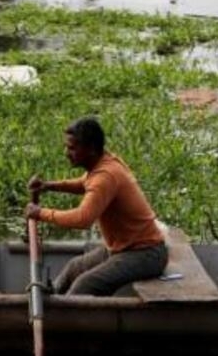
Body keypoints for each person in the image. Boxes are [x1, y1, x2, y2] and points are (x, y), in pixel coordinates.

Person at [25, 116, 168, 296]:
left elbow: (82, 219)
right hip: (124, 248)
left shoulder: (106, 176)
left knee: (85, 284)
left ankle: (67, 317)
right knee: (74, 267)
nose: (66, 153)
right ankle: (56, 303)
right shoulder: (103, 164)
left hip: (145, 254)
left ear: (91, 149)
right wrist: (50, 185)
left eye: (72, 148)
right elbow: (84, 183)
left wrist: (40, 213)